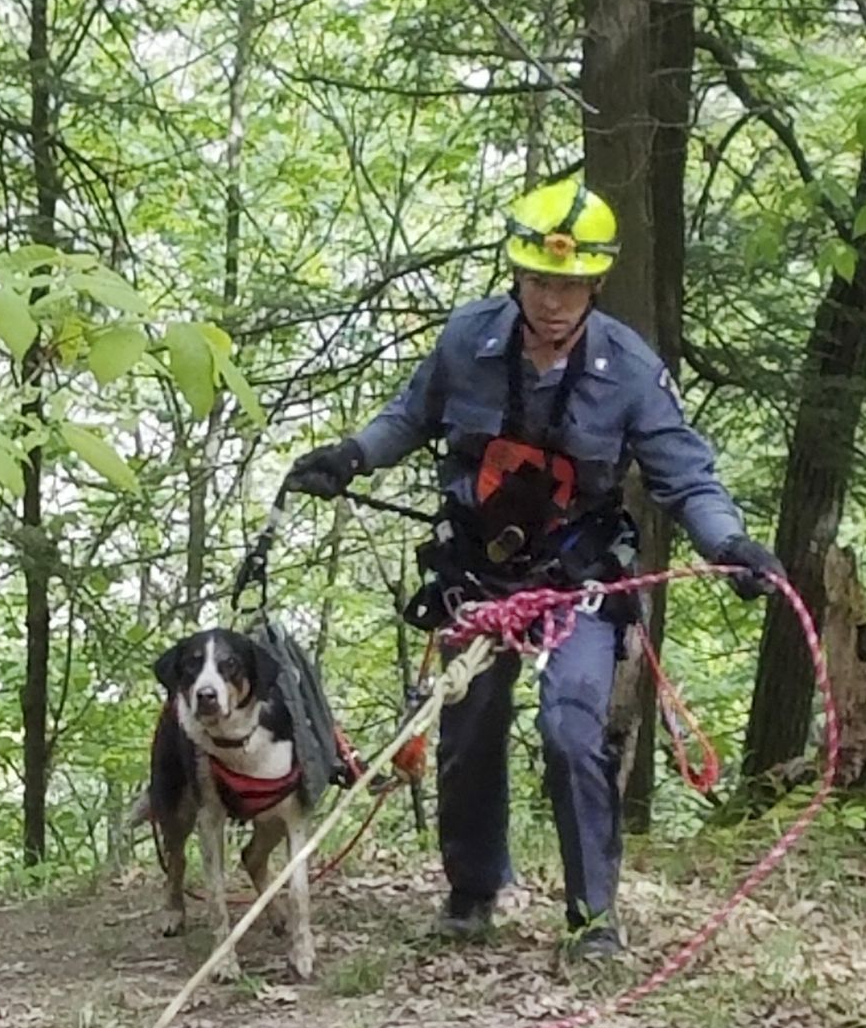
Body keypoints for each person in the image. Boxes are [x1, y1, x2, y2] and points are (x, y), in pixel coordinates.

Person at [285, 176, 784, 957]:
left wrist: (729, 545)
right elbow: (411, 417)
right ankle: (472, 890)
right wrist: (352, 457)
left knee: (571, 723)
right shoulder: (467, 341)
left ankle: (593, 919)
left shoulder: (629, 370)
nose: (554, 300)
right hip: (476, 571)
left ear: (595, 284)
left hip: (580, 576)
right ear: (518, 276)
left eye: (572, 285)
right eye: (542, 282)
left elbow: (685, 476)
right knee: (470, 717)